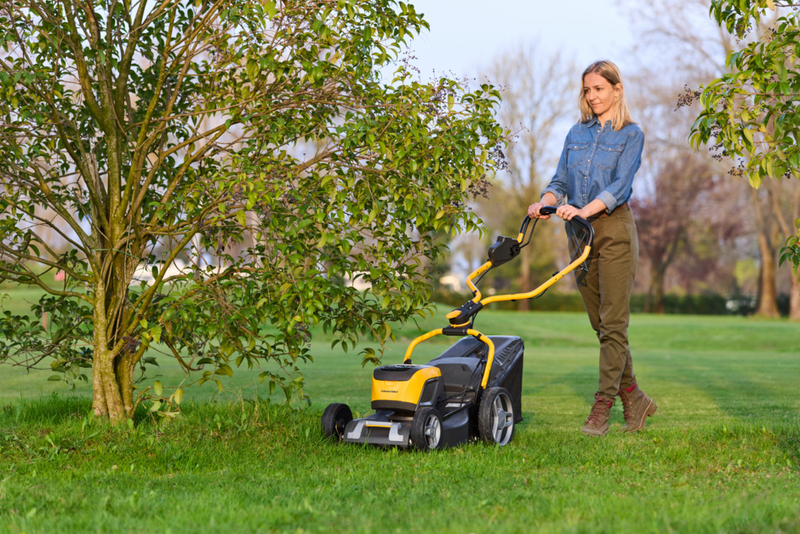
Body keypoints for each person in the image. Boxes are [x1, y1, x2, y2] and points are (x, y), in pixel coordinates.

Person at [528, 60, 657, 437]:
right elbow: (560, 180)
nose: (592, 96)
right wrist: (545, 202)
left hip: (614, 229)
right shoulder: (575, 133)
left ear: (617, 89)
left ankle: (602, 406)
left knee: (613, 324)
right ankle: (634, 396)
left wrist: (582, 210)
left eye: (599, 88)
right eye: (587, 90)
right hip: (579, 236)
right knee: (601, 325)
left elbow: (620, 187)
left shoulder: (631, 135)